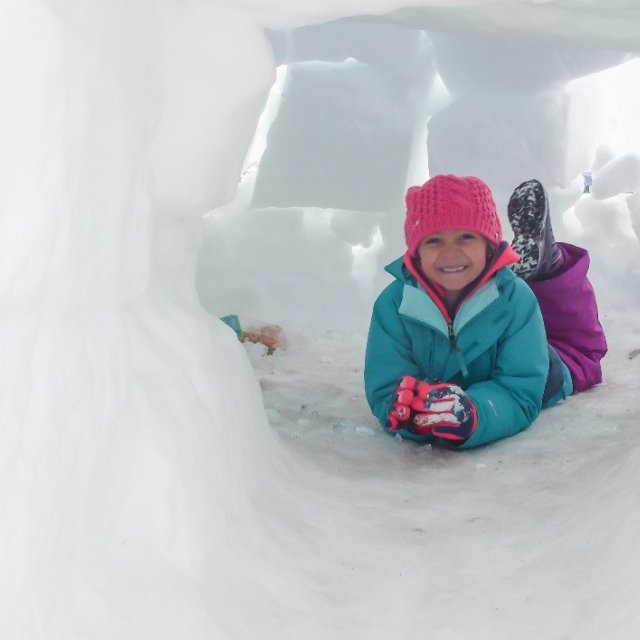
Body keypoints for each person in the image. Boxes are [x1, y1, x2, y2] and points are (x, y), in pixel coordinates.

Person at [364, 175, 607, 449]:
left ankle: (550, 263)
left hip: (544, 367)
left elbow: (520, 390)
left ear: (489, 246)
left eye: (466, 237)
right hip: (499, 324)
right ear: (416, 251)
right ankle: (533, 265)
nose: (451, 252)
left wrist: (476, 413)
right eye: (434, 240)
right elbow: (387, 389)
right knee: (511, 291)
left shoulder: (516, 300)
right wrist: (416, 418)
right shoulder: (395, 305)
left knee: (580, 355)